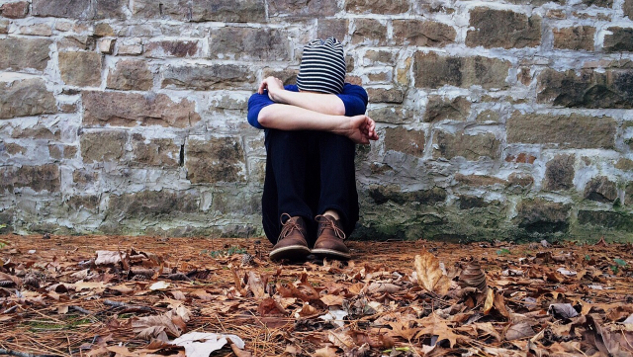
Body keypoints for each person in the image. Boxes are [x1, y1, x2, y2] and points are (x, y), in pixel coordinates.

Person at [247, 38, 378, 261]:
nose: (313, 102)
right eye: (307, 95)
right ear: (300, 87)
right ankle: (294, 222)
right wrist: (345, 126)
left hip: (337, 223)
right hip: (280, 219)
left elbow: (337, 108)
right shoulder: (265, 98)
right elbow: (264, 116)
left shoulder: (354, 94)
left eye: (321, 99)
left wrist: (281, 96)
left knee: (340, 127)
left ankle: (330, 221)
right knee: (284, 128)